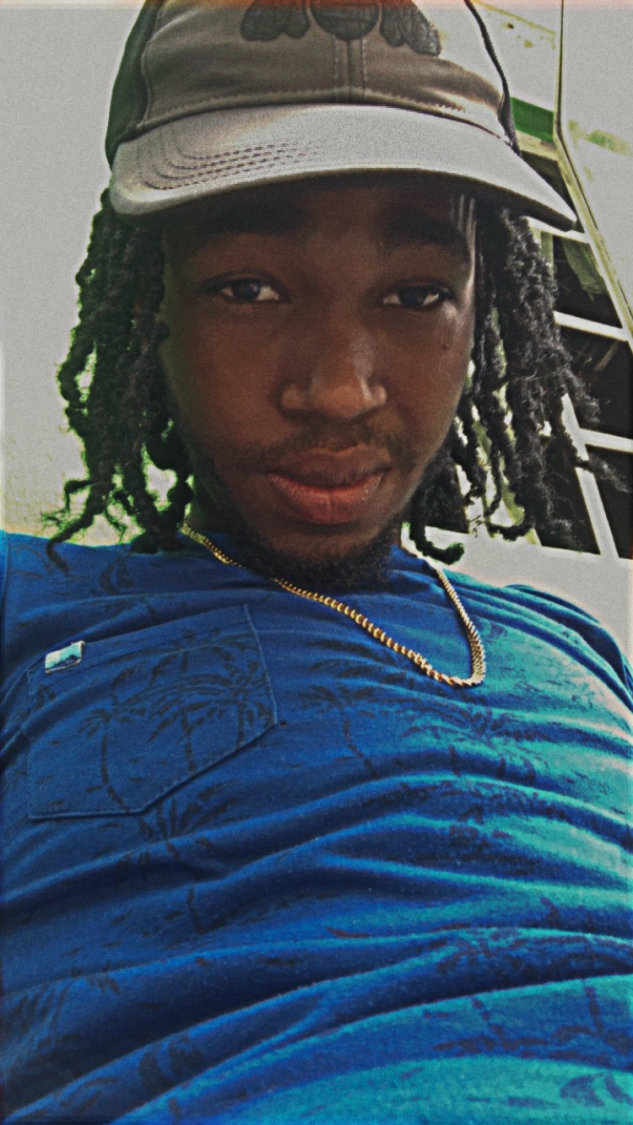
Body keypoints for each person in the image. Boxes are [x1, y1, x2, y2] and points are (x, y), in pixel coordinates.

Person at [2, 1, 631, 1121]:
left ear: (481, 314)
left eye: (415, 295)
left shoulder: (573, 643)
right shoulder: (30, 608)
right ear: (151, 307)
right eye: (249, 288)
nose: (339, 390)